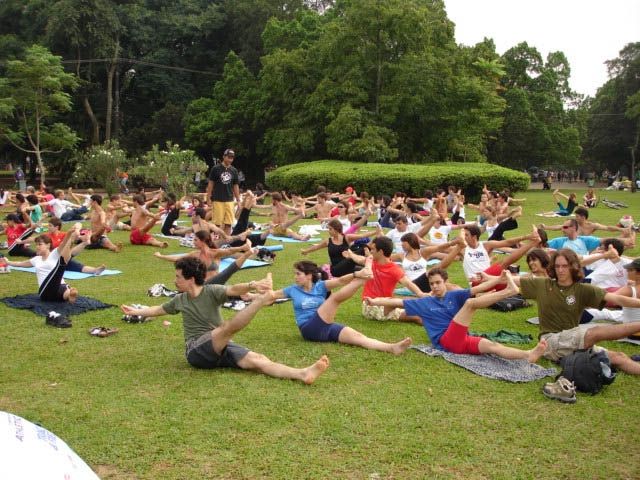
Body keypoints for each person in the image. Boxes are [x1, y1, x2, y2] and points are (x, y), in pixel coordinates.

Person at [120, 257, 329, 384]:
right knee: (225, 329)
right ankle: (262, 301)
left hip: (220, 347)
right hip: (196, 351)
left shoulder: (211, 291)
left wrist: (252, 284)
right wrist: (136, 312)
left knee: (258, 359)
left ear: (190, 279)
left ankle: (302, 374)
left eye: (177, 277)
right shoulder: (180, 300)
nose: (174, 281)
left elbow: (233, 289)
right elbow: (157, 310)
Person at [365, 268, 548, 361]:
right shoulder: (424, 302)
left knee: (492, 345)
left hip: (461, 341)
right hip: (445, 342)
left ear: (445, 282)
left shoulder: (454, 295)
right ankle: (510, 291)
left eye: (438, 283)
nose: (435, 287)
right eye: (432, 284)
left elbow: (479, 289)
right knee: (470, 304)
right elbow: (396, 302)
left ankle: (528, 355)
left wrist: (498, 280)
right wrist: (375, 301)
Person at [512, 248, 640, 374]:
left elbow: (617, 299)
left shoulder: (583, 289)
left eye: (565, 266)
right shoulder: (543, 284)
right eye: (557, 266)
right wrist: (497, 277)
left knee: (619, 357)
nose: (560, 270)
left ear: (574, 267)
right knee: (595, 332)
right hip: (550, 342)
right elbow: (513, 280)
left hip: (575, 341)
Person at [266, 260, 412, 354]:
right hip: (309, 329)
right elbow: (272, 295)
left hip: (325, 325)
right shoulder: (292, 289)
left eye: (298, 274)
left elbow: (341, 280)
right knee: (334, 299)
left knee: (358, 337)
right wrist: (252, 295)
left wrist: (355, 274)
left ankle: (391, 347)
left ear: (309, 275)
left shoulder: (321, 286)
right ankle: (364, 279)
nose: (295, 277)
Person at [4, 228, 80, 303]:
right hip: (45, 292)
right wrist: (8, 262)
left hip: (59, 288)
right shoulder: (36, 259)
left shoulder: (54, 254)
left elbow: (63, 244)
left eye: (40, 244)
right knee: (61, 263)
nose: (37, 247)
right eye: (36, 245)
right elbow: (20, 264)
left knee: (63, 287)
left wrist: (69, 234)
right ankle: (69, 292)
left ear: (48, 245)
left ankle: (69, 295)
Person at [301, 217, 375, 277]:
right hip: (336, 270)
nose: (328, 231)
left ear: (336, 229)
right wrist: (306, 251)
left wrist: (375, 232)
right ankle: (369, 245)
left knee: (367, 268)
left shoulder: (346, 238)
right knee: (352, 257)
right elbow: (316, 247)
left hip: (348, 267)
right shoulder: (328, 241)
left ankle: (373, 243)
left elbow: (361, 236)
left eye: (330, 229)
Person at [206, 149, 241, 235]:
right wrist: (208, 198)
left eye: (232, 158)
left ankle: (225, 242)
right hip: (218, 199)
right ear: (224, 156)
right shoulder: (216, 169)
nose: (230, 160)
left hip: (229, 200)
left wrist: (238, 200)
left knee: (228, 223)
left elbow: (235, 186)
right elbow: (210, 184)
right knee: (217, 224)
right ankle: (215, 241)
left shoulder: (234, 170)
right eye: (228, 157)